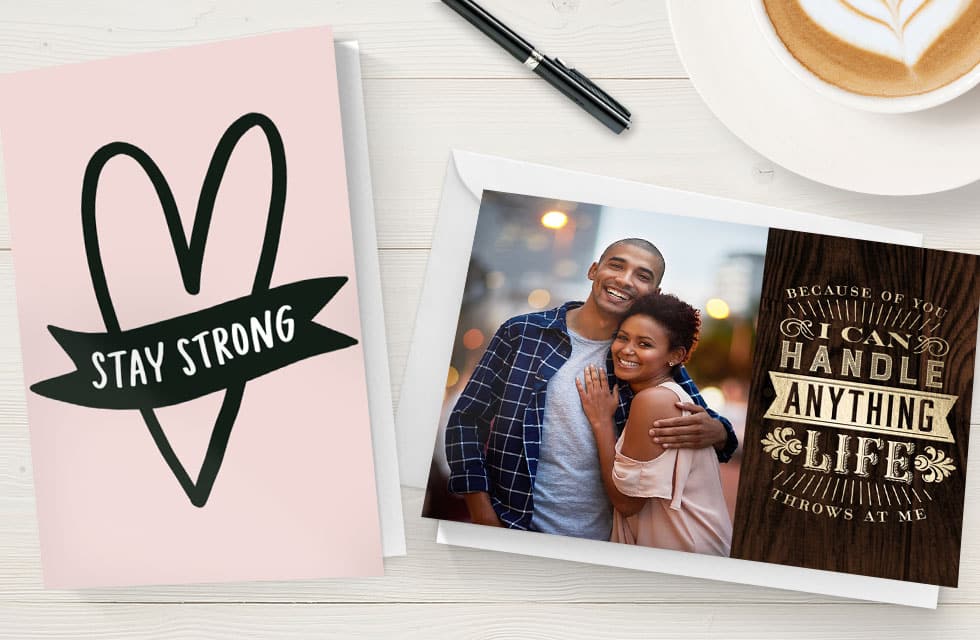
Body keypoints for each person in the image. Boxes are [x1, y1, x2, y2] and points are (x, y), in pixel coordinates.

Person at [444, 238, 738, 537]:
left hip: (604, 540)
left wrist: (719, 432)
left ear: (654, 294)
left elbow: (715, 429)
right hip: (512, 524)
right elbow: (466, 420)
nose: (624, 280)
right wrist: (481, 511)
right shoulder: (522, 334)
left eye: (642, 275)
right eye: (616, 265)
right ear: (594, 270)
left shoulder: (646, 359)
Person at [577, 293, 732, 555]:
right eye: (623, 337)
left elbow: (626, 502)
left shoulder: (654, 400)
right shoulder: (665, 394)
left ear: (675, 356)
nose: (626, 349)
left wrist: (602, 422)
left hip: (685, 549)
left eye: (645, 344)